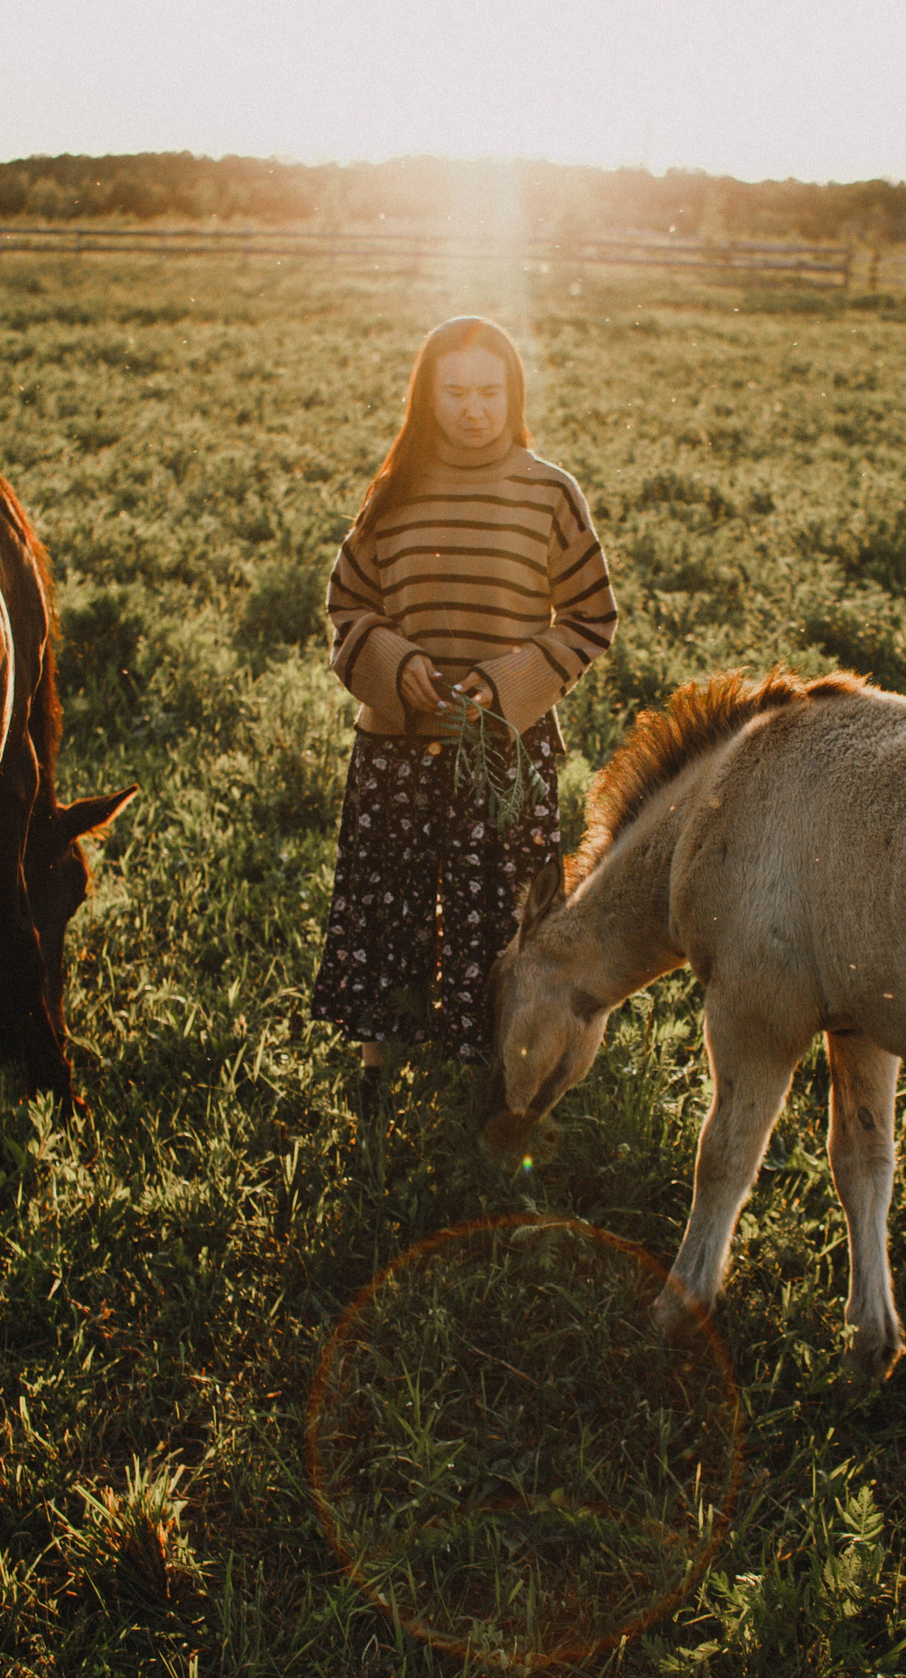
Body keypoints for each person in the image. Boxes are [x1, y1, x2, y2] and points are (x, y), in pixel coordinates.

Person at [309, 316, 617, 1108]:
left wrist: (508, 682)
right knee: (386, 901)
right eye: (455, 391)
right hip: (398, 748)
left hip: (505, 750)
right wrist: (395, 663)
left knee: (502, 912)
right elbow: (347, 607)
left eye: (490, 391)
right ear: (427, 395)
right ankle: (376, 1073)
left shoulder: (551, 492)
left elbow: (590, 616)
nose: (474, 408)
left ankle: (493, 1069)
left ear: (512, 394)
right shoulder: (393, 493)